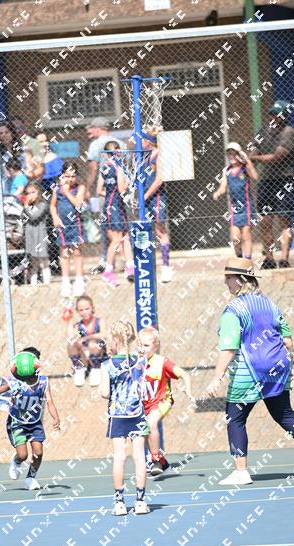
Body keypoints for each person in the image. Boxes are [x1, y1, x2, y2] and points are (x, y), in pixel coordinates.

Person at [206, 257, 294, 485]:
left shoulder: (233, 310)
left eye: (228, 278)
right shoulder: (271, 305)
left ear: (240, 280)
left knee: (235, 418)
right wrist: (290, 366)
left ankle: (241, 471)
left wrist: (216, 377)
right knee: (284, 413)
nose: (225, 282)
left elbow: (229, 347)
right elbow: (288, 341)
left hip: (250, 371)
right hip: (278, 366)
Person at [0, 350, 60, 491]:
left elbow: (50, 402)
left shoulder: (43, 382)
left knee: (38, 452)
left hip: (34, 422)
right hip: (17, 422)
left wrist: (56, 418)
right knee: (23, 455)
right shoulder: (14, 383)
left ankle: (30, 478)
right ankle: (16, 461)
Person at [100, 320, 150, 516]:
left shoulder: (108, 365)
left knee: (119, 458)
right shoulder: (141, 361)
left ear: (115, 339)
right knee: (139, 457)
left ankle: (119, 503)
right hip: (137, 413)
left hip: (117, 415)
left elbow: (105, 392)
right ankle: (140, 501)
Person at [137, 326, 195, 476]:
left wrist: (188, 390)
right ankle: (162, 462)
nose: (142, 349)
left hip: (162, 401)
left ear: (156, 346)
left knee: (151, 423)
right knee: (144, 431)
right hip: (144, 404)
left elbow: (184, 374)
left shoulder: (162, 362)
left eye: (146, 345)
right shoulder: (136, 362)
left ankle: (155, 459)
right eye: (140, 345)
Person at [249, 100, 294, 269]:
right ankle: (269, 259)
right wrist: (250, 158)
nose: (274, 117)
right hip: (266, 182)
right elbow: (254, 150)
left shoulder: (289, 132)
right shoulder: (263, 131)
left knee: (284, 219)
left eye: (278, 114)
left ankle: (284, 259)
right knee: (265, 221)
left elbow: (278, 156)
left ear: (285, 116)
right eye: (272, 114)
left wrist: (253, 159)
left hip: (284, 180)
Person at [85, 117, 126, 275]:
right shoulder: (120, 143)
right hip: (121, 191)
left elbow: (93, 168)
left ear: (99, 128)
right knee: (121, 227)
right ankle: (125, 260)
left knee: (106, 227)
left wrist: (87, 188)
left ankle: (106, 260)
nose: (89, 131)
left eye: (91, 127)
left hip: (106, 192)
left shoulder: (96, 144)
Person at [97, 141, 134, 287]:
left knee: (125, 237)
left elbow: (99, 190)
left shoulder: (105, 167)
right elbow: (121, 188)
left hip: (112, 204)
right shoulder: (119, 166)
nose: (118, 152)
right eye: (116, 150)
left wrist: (110, 195)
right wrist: (131, 185)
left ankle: (130, 268)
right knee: (118, 238)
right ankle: (108, 271)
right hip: (115, 206)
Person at [213, 142, 258, 260]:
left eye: (234, 154)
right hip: (235, 208)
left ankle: (247, 261)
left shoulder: (244, 168)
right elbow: (223, 187)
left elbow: (255, 177)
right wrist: (218, 193)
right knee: (235, 238)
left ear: (240, 154)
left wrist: (247, 161)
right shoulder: (226, 170)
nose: (232, 156)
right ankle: (239, 258)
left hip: (247, 206)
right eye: (229, 154)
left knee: (246, 235)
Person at [50, 161, 86, 298]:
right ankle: (65, 282)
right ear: (62, 176)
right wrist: (55, 217)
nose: (69, 179)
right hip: (62, 225)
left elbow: (78, 204)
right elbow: (52, 206)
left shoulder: (80, 188)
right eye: (67, 176)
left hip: (76, 224)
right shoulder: (56, 189)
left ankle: (79, 281)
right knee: (64, 252)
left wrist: (66, 192)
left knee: (77, 251)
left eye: (73, 176)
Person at [142, 131, 172, 283]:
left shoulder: (158, 156)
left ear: (148, 141)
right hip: (146, 198)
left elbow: (159, 180)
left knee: (160, 230)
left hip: (156, 197)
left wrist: (145, 196)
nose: (140, 142)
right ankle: (147, 266)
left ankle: (166, 267)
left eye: (142, 140)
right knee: (146, 230)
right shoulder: (143, 157)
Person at [67, 294, 107, 387]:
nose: (84, 312)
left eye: (87, 309)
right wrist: (70, 320)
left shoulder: (100, 321)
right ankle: (79, 369)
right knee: (71, 344)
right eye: (81, 310)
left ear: (92, 308)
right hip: (84, 356)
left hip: (98, 353)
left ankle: (96, 369)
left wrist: (86, 338)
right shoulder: (78, 325)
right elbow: (71, 337)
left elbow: (103, 335)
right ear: (77, 311)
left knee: (93, 344)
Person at [22, 181, 51, 286]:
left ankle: (46, 282)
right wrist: (25, 206)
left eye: (33, 192)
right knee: (33, 261)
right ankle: (33, 283)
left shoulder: (42, 205)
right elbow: (23, 218)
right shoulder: (27, 207)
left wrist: (26, 206)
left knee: (43, 261)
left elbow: (34, 217)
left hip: (40, 235)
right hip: (30, 236)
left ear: (39, 192)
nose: (30, 195)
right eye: (28, 193)